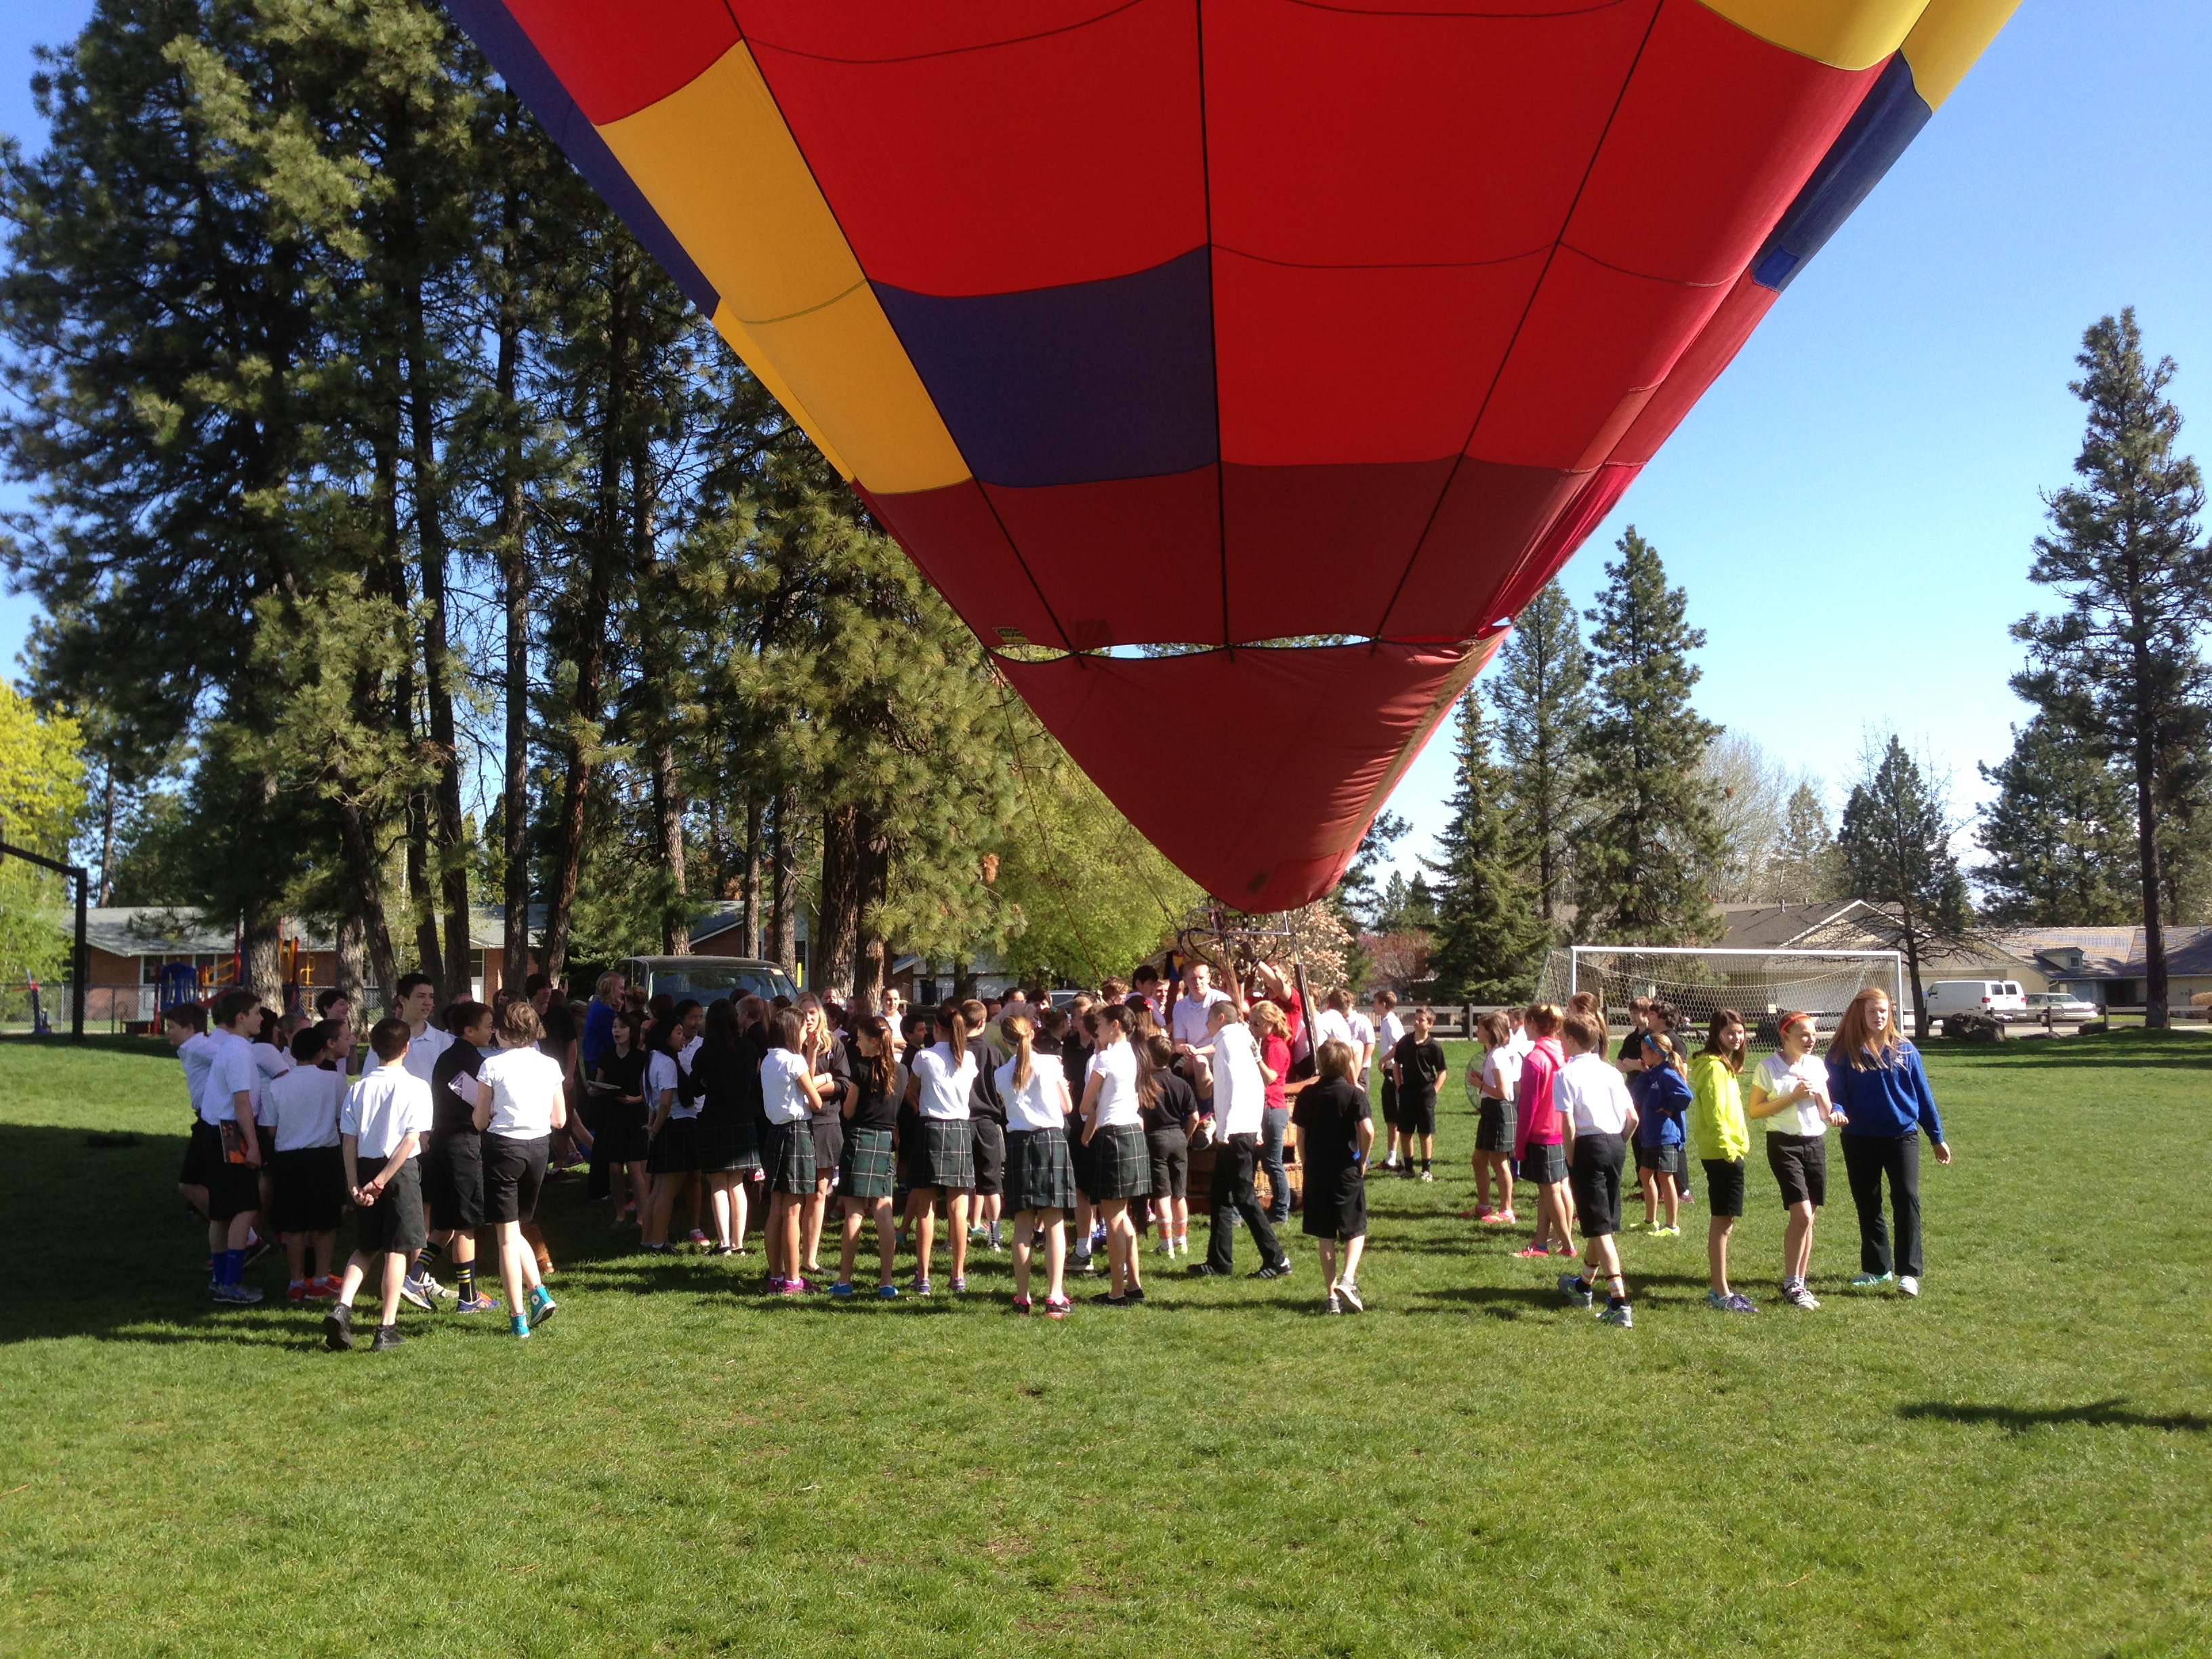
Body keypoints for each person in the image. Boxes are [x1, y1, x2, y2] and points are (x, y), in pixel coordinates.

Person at [1826, 988, 1950, 1297]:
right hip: (1859, 1138)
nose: (1878, 1016)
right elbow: (1836, 1093)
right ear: (1860, 1014)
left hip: (1901, 1136)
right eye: (1872, 1011)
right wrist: (1837, 1109)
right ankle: (1877, 1268)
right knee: (1868, 1203)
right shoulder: (1843, 1051)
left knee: (1906, 1198)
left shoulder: (1905, 1050)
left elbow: (1923, 1095)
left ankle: (1909, 1273)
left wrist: (1936, 1137)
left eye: (1883, 1011)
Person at [325, 1017, 431, 1352]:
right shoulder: (416, 1087)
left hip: (365, 1166)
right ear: (407, 1048)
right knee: (397, 1249)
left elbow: (348, 1140)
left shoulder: (358, 1088)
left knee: (366, 1246)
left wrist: (354, 1184)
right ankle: (387, 1326)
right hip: (398, 1172)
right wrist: (381, 1181)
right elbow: (411, 1139)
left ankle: (342, 1307)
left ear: (372, 1048)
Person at [474, 998, 566, 1338]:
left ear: (506, 1032)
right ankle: (539, 1294)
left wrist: (492, 1113)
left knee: (506, 1239)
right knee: (517, 1228)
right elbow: (560, 1119)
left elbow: (479, 1121)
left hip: (503, 1148)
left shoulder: (492, 1066)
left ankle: (518, 1318)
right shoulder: (550, 1065)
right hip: (539, 1148)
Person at [1187, 998, 1291, 1279]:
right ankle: (1219, 1261)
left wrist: (1225, 1131)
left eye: (1209, 1018)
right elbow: (1254, 1084)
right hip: (1241, 1128)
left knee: (1245, 1198)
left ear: (1221, 1018)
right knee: (1220, 1196)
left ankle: (1277, 1260)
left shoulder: (1229, 1043)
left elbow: (1232, 1088)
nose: (1206, 1024)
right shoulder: (1240, 1040)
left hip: (1235, 1131)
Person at [1553, 1010, 1639, 1328]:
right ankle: (1583, 1286)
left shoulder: (1565, 1075)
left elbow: (1568, 1123)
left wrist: (1572, 1159)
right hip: (1616, 1144)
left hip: (1588, 1146)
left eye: (1563, 1038)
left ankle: (1619, 1302)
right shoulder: (1611, 1072)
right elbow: (1633, 1118)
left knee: (1600, 1228)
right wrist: (1618, 1145)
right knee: (1599, 1219)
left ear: (1571, 1040)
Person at [260, 1022, 349, 1302]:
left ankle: (296, 1281)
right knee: (325, 1222)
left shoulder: (276, 1085)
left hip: (287, 1159)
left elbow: (270, 1128)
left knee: (294, 1224)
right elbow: (342, 1118)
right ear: (321, 1053)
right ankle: (321, 1278)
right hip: (324, 1156)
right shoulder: (334, 1081)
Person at [415, 1001, 494, 1312]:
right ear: (469, 1030)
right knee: (465, 1224)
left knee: (446, 1222)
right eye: (488, 1026)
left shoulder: (446, 1058)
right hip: (464, 1147)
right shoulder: (474, 1062)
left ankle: (415, 1275)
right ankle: (468, 1297)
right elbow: (484, 1109)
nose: (492, 1031)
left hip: (441, 1143)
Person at [998, 1011, 1076, 1316]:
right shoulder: (1050, 1064)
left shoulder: (1000, 1074)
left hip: (1019, 1144)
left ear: (1006, 1041)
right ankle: (1055, 1297)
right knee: (1054, 1222)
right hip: (1051, 1141)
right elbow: (1067, 1106)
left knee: (1023, 1224)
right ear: (1032, 1034)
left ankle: (1022, 1298)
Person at [1077, 1002, 1150, 1305]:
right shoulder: (1134, 1053)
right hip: (1133, 1133)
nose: (1098, 1030)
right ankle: (1134, 1285)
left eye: (1101, 1025)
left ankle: (1117, 1291)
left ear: (1116, 1024)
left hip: (1114, 1135)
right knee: (1123, 1216)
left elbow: (1085, 1105)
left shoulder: (1105, 1057)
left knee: (1114, 1218)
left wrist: (1091, 1113)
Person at [1294, 1038, 1373, 1313]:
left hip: (1317, 1168)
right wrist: (1362, 1159)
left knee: (1325, 1234)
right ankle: (1348, 1280)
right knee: (1355, 1228)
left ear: (1319, 1063)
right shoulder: (1354, 1094)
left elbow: (1301, 1135)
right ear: (1347, 1064)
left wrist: (1306, 1162)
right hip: (1345, 1168)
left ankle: (1332, 1298)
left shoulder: (1307, 1095)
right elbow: (1368, 1130)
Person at [199, 988, 267, 1305]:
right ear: (241, 1018)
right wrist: (252, 1145)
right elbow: (242, 1103)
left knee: (222, 1212)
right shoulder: (239, 1052)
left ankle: (219, 1279)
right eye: (257, 1013)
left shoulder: (230, 1047)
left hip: (214, 1131)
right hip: (229, 1135)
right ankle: (231, 1282)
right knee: (245, 1207)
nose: (261, 1018)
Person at [907, 1002, 979, 1295]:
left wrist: (920, 1106)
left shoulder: (924, 1056)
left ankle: (923, 1277)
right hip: (959, 1129)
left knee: (926, 1209)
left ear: (936, 1028)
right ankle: (958, 1276)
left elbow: (911, 1091)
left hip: (931, 1127)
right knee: (959, 1209)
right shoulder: (969, 1058)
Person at [1689, 1008, 1757, 1313]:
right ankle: (1720, 1292)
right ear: (1716, 1034)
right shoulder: (1715, 1068)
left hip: (1726, 1151)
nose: (1736, 1037)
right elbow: (1716, 1112)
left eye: (1740, 1032)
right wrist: (1729, 1149)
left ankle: (1721, 1288)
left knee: (1725, 1222)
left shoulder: (1724, 1065)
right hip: (1722, 1153)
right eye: (1730, 1032)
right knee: (1722, 1223)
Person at [832, 1015, 902, 1299]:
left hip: (860, 1139)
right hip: (885, 1141)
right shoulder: (902, 1070)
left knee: (854, 1212)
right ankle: (886, 1282)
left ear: (874, 1041)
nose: (857, 1044)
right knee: (884, 1211)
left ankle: (845, 1281)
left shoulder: (860, 1069)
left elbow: (848, 1112)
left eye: (860, 1039)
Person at [759, 1008, 825, 1294]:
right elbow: (816, 1101)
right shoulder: (793, 1060)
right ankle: (793, 1280)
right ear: (791, 1031)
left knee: (776, 1207)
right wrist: (823, 1076)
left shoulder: (768, 1060)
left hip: (775, 1132)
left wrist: (810, 1052)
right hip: (796, 1133)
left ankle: (776, 1277)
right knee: (793, 1211)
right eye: (801, 1029)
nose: (804, 1033)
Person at [693, 999, 760, 1256]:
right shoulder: (749, 1048)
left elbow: (694, 1087)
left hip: (715, 1120)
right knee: (737, 1184)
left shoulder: (706, 1052)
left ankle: (723, 1245)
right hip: (742, 1119)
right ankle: (738, 1243)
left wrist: (707, 1083)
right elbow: (753, 1081)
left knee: (718, 1184)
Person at [1511, 1005, 1573, 1261]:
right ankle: (1540, 1244)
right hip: (1562, 1129)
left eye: (1527, 1023)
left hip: (1542, 1133)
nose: (1524, 1027)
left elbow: (1528, 1106)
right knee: (1553, 1189)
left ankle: (1567, 1245)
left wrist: (1519, 1144)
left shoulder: (1535, 1059)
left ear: (1534, 1025)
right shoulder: (1564, 1052)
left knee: (1550, 1191)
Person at [640, 1019, 699, 1254]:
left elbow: (652, 1103)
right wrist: (655, 1128)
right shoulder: (666, 1063)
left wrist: (653, 1127)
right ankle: (659, 1243)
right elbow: (664, 1102)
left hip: (665, 1127)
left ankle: (648, 1240)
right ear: (666, 1037)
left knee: (659, 1188)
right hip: (676, 1126)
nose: (682, 1038)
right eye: (678, 1033)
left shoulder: (652, 1060)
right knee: (667, 1191)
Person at [1629, 1016, 1691, 1235]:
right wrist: (1644, 1073)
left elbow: (1685, 1095)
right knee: (1645, 1175)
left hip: (1666, 1135)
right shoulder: (1653, 1073)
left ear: (1656, 1054)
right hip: (1651, 1134)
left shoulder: (1667, 1074)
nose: (1642, 1056)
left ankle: (1672, 1225)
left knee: (1665, 1177)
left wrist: (1669, 1107)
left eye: (1645, 1052)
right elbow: (1637, 1095)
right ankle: (1650, 1220)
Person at [1139, 1033, 1197, 1259]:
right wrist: (1186, 1135)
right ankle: (1181, 1241)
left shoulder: (1145, 1084)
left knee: (1162, 1194)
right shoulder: (1181, 1083)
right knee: (1179, 1193)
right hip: (1178, 1137)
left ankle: (1166, 1245)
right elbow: (1194, 1116)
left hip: (1156, 1138)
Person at [590, 1013, 651, 1226]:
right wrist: (595, 1091)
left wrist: (636, 1099)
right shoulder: (606, 1057)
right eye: (614, 1027)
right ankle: (620, 1214)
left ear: (631, 1031)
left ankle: (642, 1217)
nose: (616, 1031)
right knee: (615, 1169)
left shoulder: (641, 1058)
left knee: (635, 1169)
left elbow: (650, 1091)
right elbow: (598, 1084)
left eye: (622, 1027)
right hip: (613, 1114)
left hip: (635, 1115)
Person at [962, 996, 1008, 1252]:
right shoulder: (993, 1053)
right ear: (983, 1023)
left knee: (962, 1184)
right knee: (992, 1184)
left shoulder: (955, 1050)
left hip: (961, 1121)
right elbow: (1002, 1090)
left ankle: (958, 1236)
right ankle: (995, 1237)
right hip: (989, 1122)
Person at [165, 1002, 216, 1227]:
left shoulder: (198, 1047)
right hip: (206, 1117)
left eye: (172, 1027)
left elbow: (230, 1060)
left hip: (211, 1120)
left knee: (189, 1183)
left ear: (190, 1028)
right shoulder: (192, 1048)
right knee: (207, 1179)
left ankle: (240, 1234)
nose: (167, 1032)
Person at [1250, 999, 1297, 1222]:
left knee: (1271, 1162)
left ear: (1269, 1023)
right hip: (1265, 1106)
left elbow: (1270, 1078)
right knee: (1254, 1159)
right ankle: (1242, 1211)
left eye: (1256, 1023)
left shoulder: (1275, 1046)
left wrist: (1257, 1058)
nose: (1252, 1027)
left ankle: (1280, 1211)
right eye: (1251, 1022)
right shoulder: (1265, 1043)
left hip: (1272, 1107)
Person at [1470, 1010, 1519, 1225]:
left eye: (1480, 1028)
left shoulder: (1498, 1055)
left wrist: (1479, 1084)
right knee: (1479, 1160)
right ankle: (1484, 1206)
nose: (1477, 1032)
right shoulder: (1493, 1054)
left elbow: (1503, 1092)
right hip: (1490, 1109)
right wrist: (1483, 1080)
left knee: (1499, 1162)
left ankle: (1507, 1211)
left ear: (1490, 1032)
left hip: (1499, 1110)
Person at [1387, 1006, 1446, 1182]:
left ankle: (1426, 1170)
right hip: (1407, 1092)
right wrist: (1400, 1086)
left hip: (1425, 1092)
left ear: (1430, 1024)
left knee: (1425, 1132)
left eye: (1421, 1020)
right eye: (1416, 1019)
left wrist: (1433, 1090)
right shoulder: (1405, 1042)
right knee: (1405, 1131)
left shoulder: (1434, 1046)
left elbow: (1442, 1072)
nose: (1417, 1022)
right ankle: (1408, 1168)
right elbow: (1396, 1065)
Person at [1371, 990, 1404, 1171]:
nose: (1373, 1006)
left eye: (1375, 1002)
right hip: (1389, 1072)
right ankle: (1391, 1157)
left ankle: (1396, 1158)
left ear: (1383, 1004)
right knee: (1390, 1116)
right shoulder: (1386, 1022)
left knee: (1395, 1117)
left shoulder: (1392, 1022)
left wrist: (1384, 1060)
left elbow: (1399, 1045)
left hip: (1395, 1072)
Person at [581, 969, 625, 1076]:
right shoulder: (605, 1012)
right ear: (611, 988)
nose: (623, 993)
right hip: (598, 1066)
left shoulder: (597, 1005)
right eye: (621, 988)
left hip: (592, 1062)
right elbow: (614, 1042)